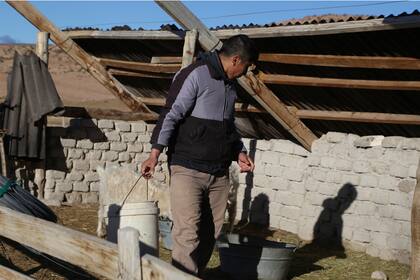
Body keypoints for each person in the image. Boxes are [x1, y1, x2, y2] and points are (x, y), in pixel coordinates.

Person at [141, 34, 258, 276]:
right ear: (236, 60)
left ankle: (193, 275)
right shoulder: (195, 74)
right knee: (187, 233)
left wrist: (240, 152)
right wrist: (154, 155)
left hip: (218, 173)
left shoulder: (230, 85)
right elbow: (170, 114)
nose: (245, 72)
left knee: (210, 233)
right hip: (187, 169)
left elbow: (228, 125)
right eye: (246, 67)